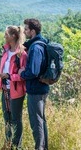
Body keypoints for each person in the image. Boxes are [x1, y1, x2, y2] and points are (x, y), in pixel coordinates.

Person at [18, 19, 49, 150]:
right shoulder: (41, 44)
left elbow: (34, 71)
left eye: (26, 29)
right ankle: (44, 147)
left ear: (33, 31)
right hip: (41, 88)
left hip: (35, 89)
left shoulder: (36, 47)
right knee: (41, 121)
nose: (24, 32)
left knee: (36, 123)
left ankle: (40, 148)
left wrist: (22, 73)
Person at [0, 26, 27, 149]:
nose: (5, 37)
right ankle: (8, 144)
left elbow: (23, 76)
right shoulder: (5, 52)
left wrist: (9, 76)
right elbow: (1, 72)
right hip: (5, 90)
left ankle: (17, 146)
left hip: (17, 91)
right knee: (6, 119)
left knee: (16, 120)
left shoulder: (21, 54)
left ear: (13, 36)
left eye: (6, 34)